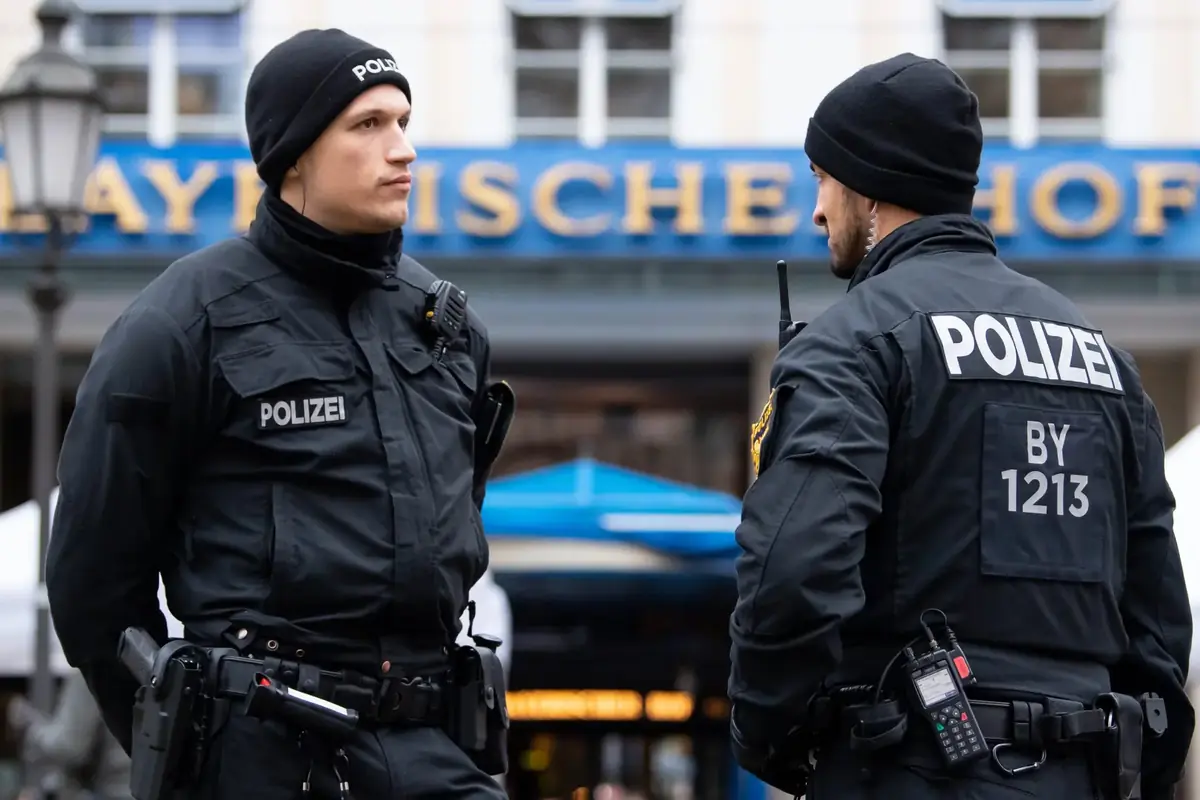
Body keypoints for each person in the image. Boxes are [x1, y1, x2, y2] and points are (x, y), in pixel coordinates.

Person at [46, 28, 510, 800]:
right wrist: (186, 748)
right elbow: (91, 585)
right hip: (260, 752)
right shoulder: (181, 320)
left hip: (432, 746)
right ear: (293, 153)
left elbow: (457, 531)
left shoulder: (447, 328)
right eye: (368, 125)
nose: (403, 150)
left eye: (403, 122)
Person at [728, 53, 1194, 800]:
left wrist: (771, 737)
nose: (817, 211)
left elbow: (792, 573)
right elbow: (1160, 616)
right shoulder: (1105, 361)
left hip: (905, 768)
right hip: (1084, 772)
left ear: (869, 188)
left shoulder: (854, 343)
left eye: (823, 180)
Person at [8, 670, 133, 800]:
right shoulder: (139, 666)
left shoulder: (91, 671)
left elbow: (68, 746)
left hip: (117, 790)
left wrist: (28, 727)